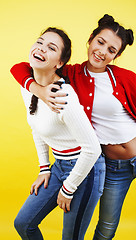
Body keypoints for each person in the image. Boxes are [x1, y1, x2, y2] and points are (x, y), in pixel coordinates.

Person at [10, 14, 136, 240]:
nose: (102, 51)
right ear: (90, 40)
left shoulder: (127, 78)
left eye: (111, 50)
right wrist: (36, 89)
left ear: (116, 56)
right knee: (106, 228)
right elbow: (23, 67)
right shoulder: (70, 74)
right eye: (100, 42)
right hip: (113, 166)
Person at [12, 27, 106, 240]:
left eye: (51, 48)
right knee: (23, 224)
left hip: (86, 170)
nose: (41, 48)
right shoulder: (28, 86)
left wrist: (68, 188)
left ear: (59, 63)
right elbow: (36, 126)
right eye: (40, 42)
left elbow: (92, 149)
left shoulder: (63, 97)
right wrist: (44, 168)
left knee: (70, 237)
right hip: (60, 166)